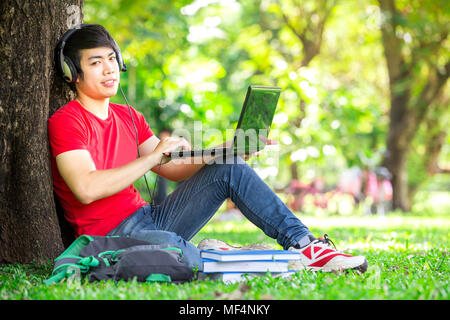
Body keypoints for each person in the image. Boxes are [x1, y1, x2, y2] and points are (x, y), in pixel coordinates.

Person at [48, 24, 368, 274]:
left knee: (229, 167)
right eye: (95, 62)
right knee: (179, 253)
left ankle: (307, 247)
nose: (109, 69)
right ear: (72, 73)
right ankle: (228, 256)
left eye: (111, 59)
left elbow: (171, 168)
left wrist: (226, 150)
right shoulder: (67, 121)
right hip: (110, 237)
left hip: (151, 217)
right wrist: (152, 156)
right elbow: (86, 188)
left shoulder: (129, 116)